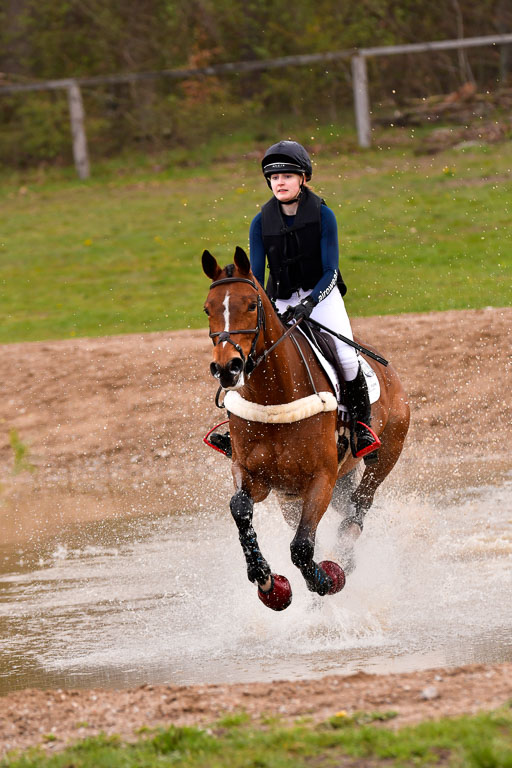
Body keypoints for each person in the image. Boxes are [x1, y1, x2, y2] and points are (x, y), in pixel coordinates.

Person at [209, 140, 380, 460]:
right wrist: (265, 305)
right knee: (247, 350)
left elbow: (330, 270)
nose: (280, 182)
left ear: (303, 179)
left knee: (345, 356)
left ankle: (361, 429)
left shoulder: (324, 216)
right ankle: (235, 432)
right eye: (274, 178)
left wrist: (312, 302)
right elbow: (255, 277)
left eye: (287, 176)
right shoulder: (260, 222)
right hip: (280, 300)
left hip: (322, 297)